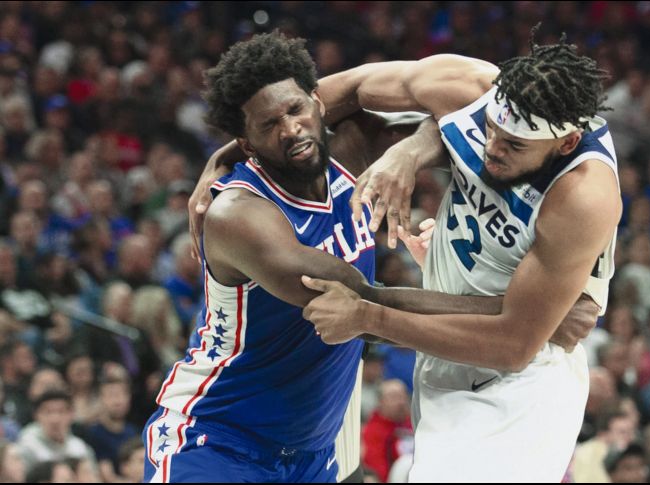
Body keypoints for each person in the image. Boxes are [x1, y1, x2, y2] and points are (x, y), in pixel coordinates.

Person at [159, 31, 598, 483]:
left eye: (295, 110)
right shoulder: (239, 215)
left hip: (311, 454)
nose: (290, 129)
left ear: (317, 101)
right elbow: (365, 304)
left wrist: (409, 152)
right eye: (268, 125)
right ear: (247, 145)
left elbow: (455, 124)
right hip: (218, 438)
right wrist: (535, 316)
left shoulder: (352, 147)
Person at [299, 31, 622, 481]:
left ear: (564, 144)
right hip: (441, 347)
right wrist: (234, 155)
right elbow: (347, 89)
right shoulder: (469, 85)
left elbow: (513, 344)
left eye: (514, 145)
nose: (493, 149)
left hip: (518, 386)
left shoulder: (584, 194)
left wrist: (368, 316)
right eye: (492, 129)